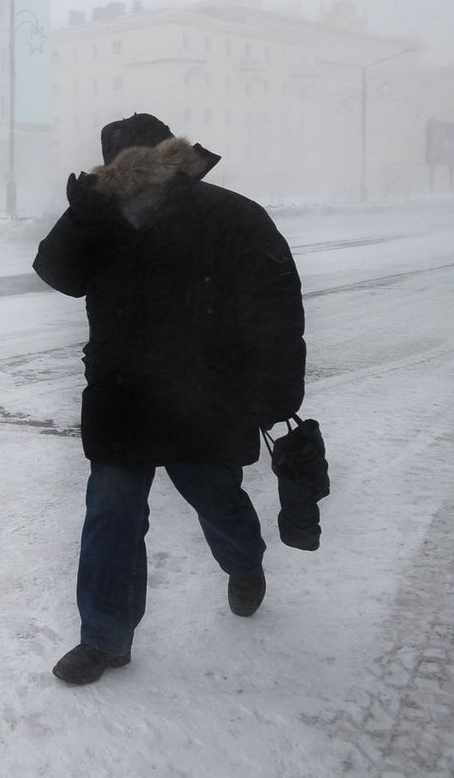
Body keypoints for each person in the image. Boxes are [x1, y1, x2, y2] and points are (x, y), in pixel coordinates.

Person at [32, 112, 305, 685]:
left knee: (214, 497)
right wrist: (82, 218)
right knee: (111, 515)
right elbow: (57, 272)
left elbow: (276, 306)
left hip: (202, 396)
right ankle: (104, 639)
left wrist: (277, 393)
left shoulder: (229, 216)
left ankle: (244, 561)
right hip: (122, 395)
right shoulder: (100, 218)